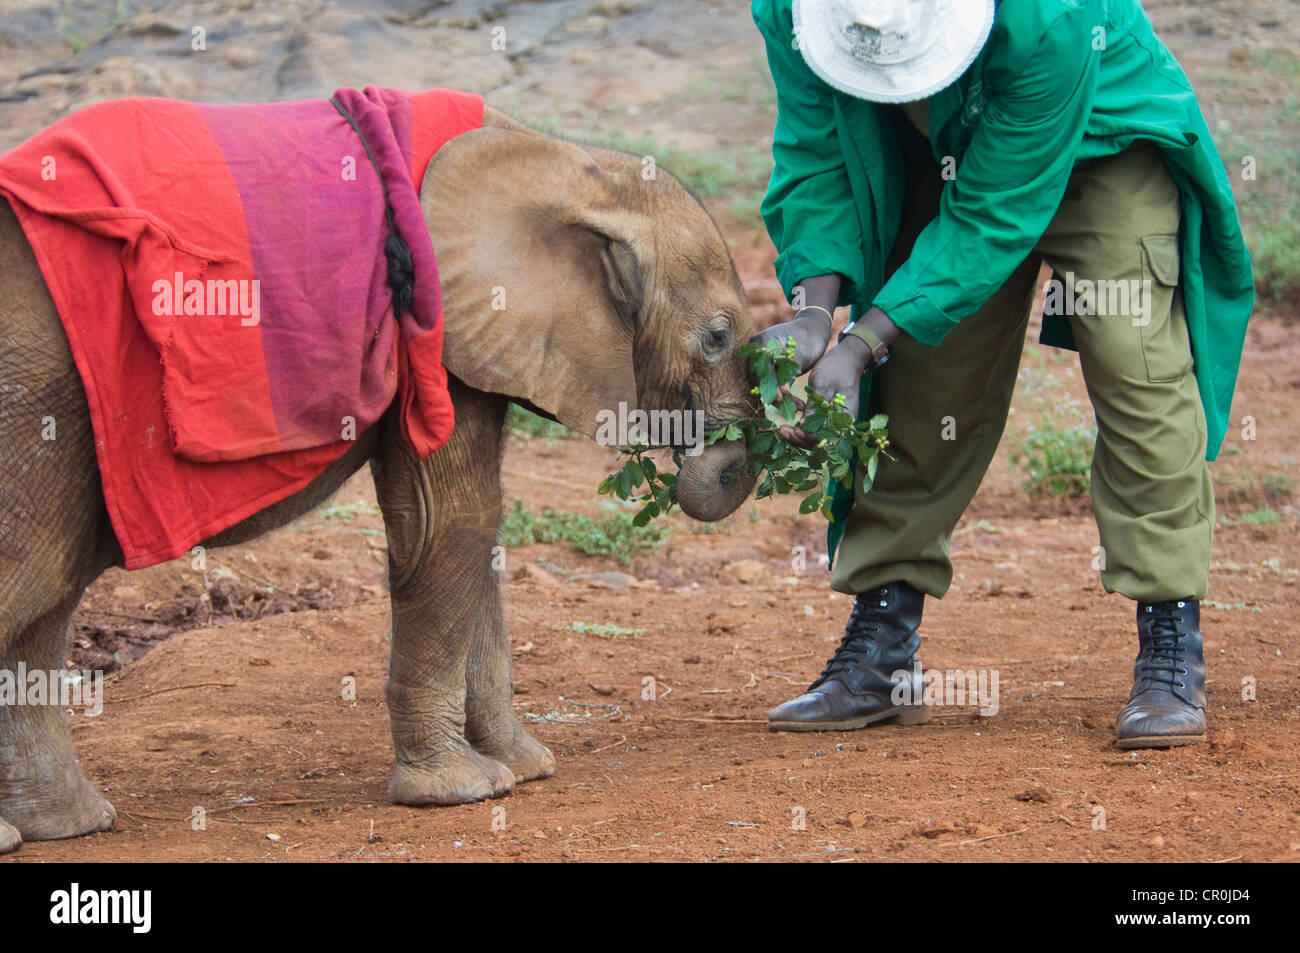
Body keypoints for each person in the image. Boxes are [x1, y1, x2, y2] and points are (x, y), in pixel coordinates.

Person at [751, 0, 1253, 748]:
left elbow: (993, 216)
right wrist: (817, 316)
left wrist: (862, 345)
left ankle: (1169, 645)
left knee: (1136, 365)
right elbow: (818, 149)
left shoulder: (1052, 15)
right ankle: (883, 650)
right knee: (922, 379)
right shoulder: (796, 9)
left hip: (1097, 145)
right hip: (934, 142)